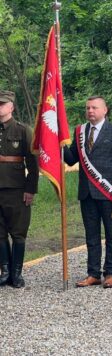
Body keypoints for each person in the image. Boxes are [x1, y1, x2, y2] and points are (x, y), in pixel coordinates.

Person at [64, 96, 112, 288]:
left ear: (104, 110)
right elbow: (71, 159)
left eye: (94, 107)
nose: (90, 111)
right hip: (87, 194)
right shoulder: (80, 132)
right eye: (88, 108)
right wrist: (58, 143)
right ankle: (93, 273)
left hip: (110, 195)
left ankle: (110, 273)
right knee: (91, 236)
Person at [0, 90, 38, 288]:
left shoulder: (23, 130)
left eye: (2, 104)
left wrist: (30, 190)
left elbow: (32, 163)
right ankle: (5, 272)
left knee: (18, 233)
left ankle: (17, 274)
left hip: (16, 189)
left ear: (11, 107)